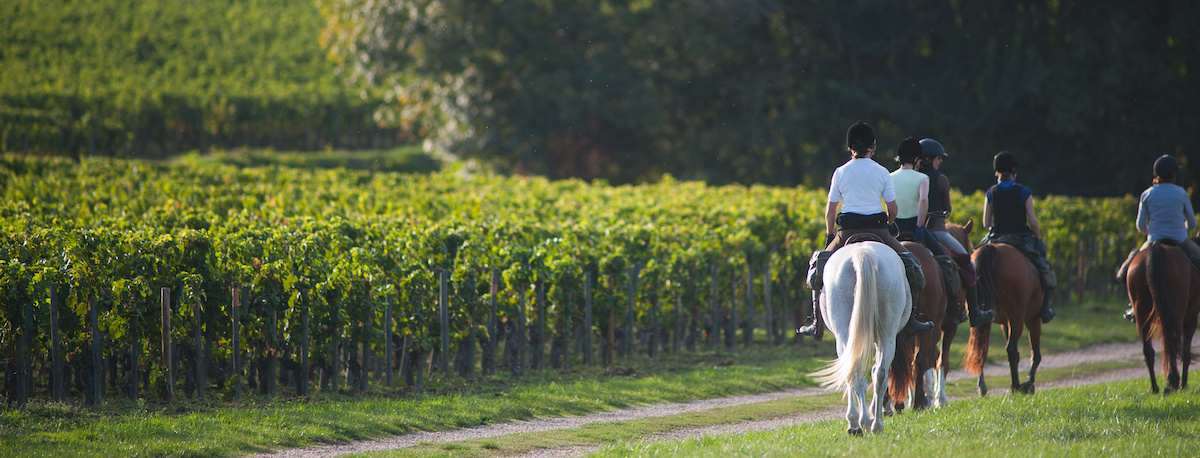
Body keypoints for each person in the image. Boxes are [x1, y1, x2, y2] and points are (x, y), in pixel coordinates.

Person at [798, 122, 934, 340]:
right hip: (878, 230)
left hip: (845, 231)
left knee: (818, 266)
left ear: (849, 147)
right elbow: (892, 208)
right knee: (912, 264)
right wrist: (889, 225)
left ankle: (816, 322)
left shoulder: (840, 172)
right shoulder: (882, 172)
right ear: (873, 145)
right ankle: (912, 319)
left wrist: (830, 235)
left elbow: (830, 210)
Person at [917, 138, 995, 327]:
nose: (940, 161)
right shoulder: (941, 179)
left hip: (912, 232)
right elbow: (947, 208)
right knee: (967, 262)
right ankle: (974, 311)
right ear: (929, 159)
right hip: (937, 231)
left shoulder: (912, 176)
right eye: (938, 158)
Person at [1115, 154, 1200, 321]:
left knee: (1131, 263)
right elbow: (1192, 223)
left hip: (1153, 240)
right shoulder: (1181, 193)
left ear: (1156, 175)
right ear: (1174, 175)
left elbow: (1140, 226)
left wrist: (1152, 231)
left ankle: (1134, 306)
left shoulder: (1147, 195)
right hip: (1180, 240)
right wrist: (1180, 229)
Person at [980, 151, 1056, 323]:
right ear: (1014, 170)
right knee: (1044, 266)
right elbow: (1034, 222)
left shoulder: (991, 192)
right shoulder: (1024, 192)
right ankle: (1045, 308)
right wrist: (1037, 239)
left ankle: (973, 306)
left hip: (997, 236)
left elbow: (986, 223)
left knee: (974, 263)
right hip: (1021, 237)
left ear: (996, 171)